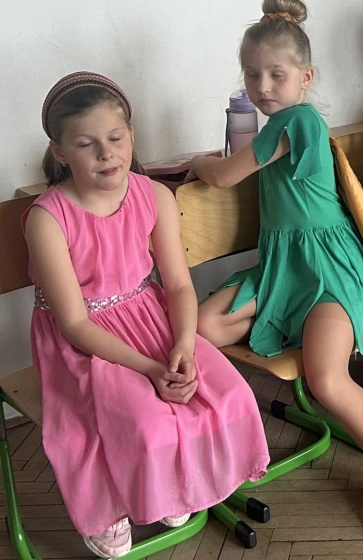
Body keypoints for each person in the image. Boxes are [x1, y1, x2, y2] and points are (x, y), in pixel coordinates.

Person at [190, 0, 363, 539]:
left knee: (326, 380)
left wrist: (195, 162)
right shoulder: (276, 125)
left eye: (277, 74)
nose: (262, 86)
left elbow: (221, 176)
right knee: (201, 327)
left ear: (306, 77)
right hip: (281, 269)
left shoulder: (297, 121)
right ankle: (229, 434)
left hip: (325, 272)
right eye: (252, 75)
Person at [23, 72, 270, 558]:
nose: (106, 154)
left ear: (132, 136)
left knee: (228, 393)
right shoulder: (47, 218)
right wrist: (152, 369)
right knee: (145, 419)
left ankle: (177, 482)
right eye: (86, 144)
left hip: (151, 316)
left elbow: (177, 285)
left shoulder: (153, 194)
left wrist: (183, 345)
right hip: (86, 339)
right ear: (60, 151)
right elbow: (74, 324)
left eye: (115, 138)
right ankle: (111, 505)